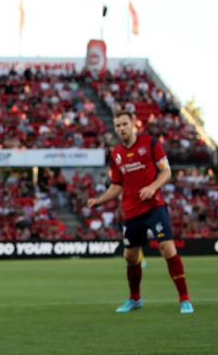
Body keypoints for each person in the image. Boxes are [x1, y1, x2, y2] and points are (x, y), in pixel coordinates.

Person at [88, 110, 193, 314]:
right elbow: (117, 184)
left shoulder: (151, 144)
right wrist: (99, 200)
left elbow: (166, 171)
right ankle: (135, 299)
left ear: (134, 124)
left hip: (154, 207)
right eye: (117, 125)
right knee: (130, 257)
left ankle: (185, 299)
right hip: (131, 211)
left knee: (166, 247)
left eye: (124, 124)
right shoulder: (116, 153)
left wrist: (153, 187)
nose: (121, 128)